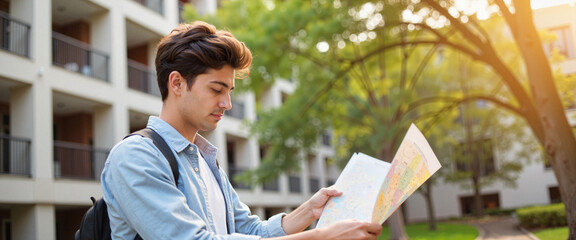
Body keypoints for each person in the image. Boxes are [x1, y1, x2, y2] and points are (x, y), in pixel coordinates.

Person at [101, 21, 382, 240]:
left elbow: (248, 230)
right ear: (176, 83)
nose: (227, 103)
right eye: (216, 89)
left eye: (230, 91)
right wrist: (321, 236)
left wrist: (309, 211)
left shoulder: (203, 161)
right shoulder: (135, 157)